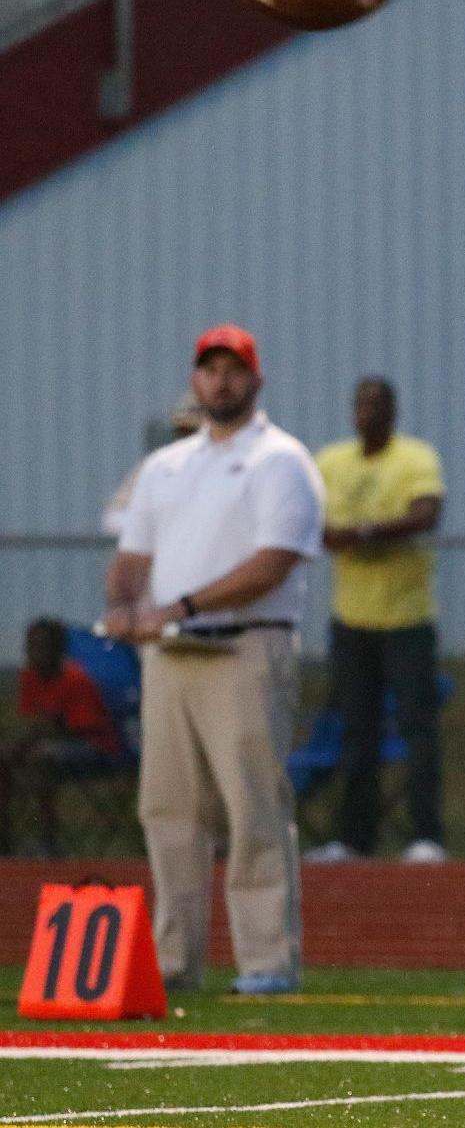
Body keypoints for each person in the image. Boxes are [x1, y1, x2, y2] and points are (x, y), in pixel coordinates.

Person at [101, 325, 324, 996]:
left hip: (244, 644)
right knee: (167, 807)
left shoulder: (280, 459)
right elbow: (133, 557)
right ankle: (175, 960)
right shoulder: (168, 466)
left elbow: (274, 559)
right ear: (195, 378)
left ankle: (266, 958)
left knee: (251, 802)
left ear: (255, 379)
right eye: (210, 369)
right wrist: (123, 606)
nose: (220, 381)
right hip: (169, 656)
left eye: (233, 369)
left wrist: (184, 604)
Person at [308, 377, 447, 864]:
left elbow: (427, 512)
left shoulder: (415, 458)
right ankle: (354, 838)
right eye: (359, 403)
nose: (365, 412)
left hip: (408, 619)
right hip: (352, 619)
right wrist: (336, 536)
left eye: (375, 404)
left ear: (393, 410)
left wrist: (366, 533)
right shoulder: (331, 461)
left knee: (417, 730)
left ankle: (426, 836)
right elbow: (309, 519)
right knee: (356, 732)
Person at [1, 618, 122, 854]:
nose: (36, 654)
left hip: (96, 748)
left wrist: (43, 732)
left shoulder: (76, 680)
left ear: (59, 651)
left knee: (41, 759)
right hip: (48, 744)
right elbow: (31, 722)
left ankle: (49, 838)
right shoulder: (29, 677)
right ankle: (4, 836)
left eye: (43, 647)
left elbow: (84, 728)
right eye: (32, 647)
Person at [101, 393, 205, 538]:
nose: (187, 439)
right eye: (181, 432)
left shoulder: (235, 466)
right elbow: (113, 518)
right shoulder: (158, 465)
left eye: (194, 431)